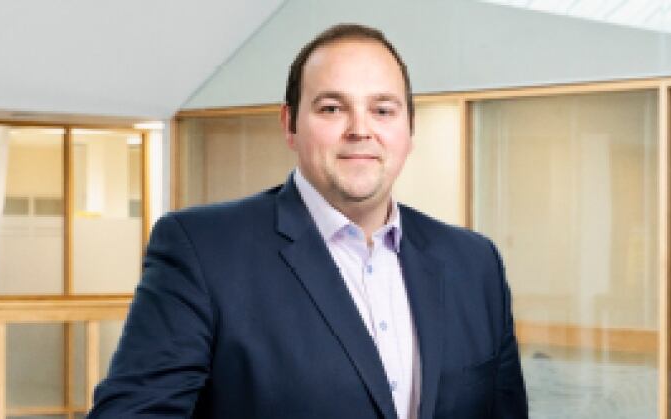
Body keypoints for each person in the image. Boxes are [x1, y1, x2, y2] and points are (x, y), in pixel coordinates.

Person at [88, 23, 528, 419]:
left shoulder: (475, 263)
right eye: (333, 108)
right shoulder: (202, 250)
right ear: (290, 125)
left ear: (409, 130)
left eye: (383, 109)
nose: (360, 129)